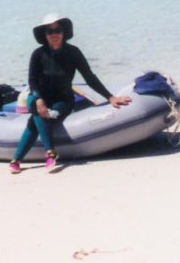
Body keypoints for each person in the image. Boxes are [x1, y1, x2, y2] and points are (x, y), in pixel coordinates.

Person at [9, 13, 131, 174]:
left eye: (57, 30)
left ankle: (16, 160)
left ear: (64, 32)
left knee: (38, 119)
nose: (54, 35)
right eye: (49, 31)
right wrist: (39, 100)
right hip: (38, 98)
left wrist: (110, 97)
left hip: (63, 99)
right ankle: (50, 152)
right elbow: (32, 81)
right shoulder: (38, 54)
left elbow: (89, 77)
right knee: (38, 111)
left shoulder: (73, 52)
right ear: (44, 34)